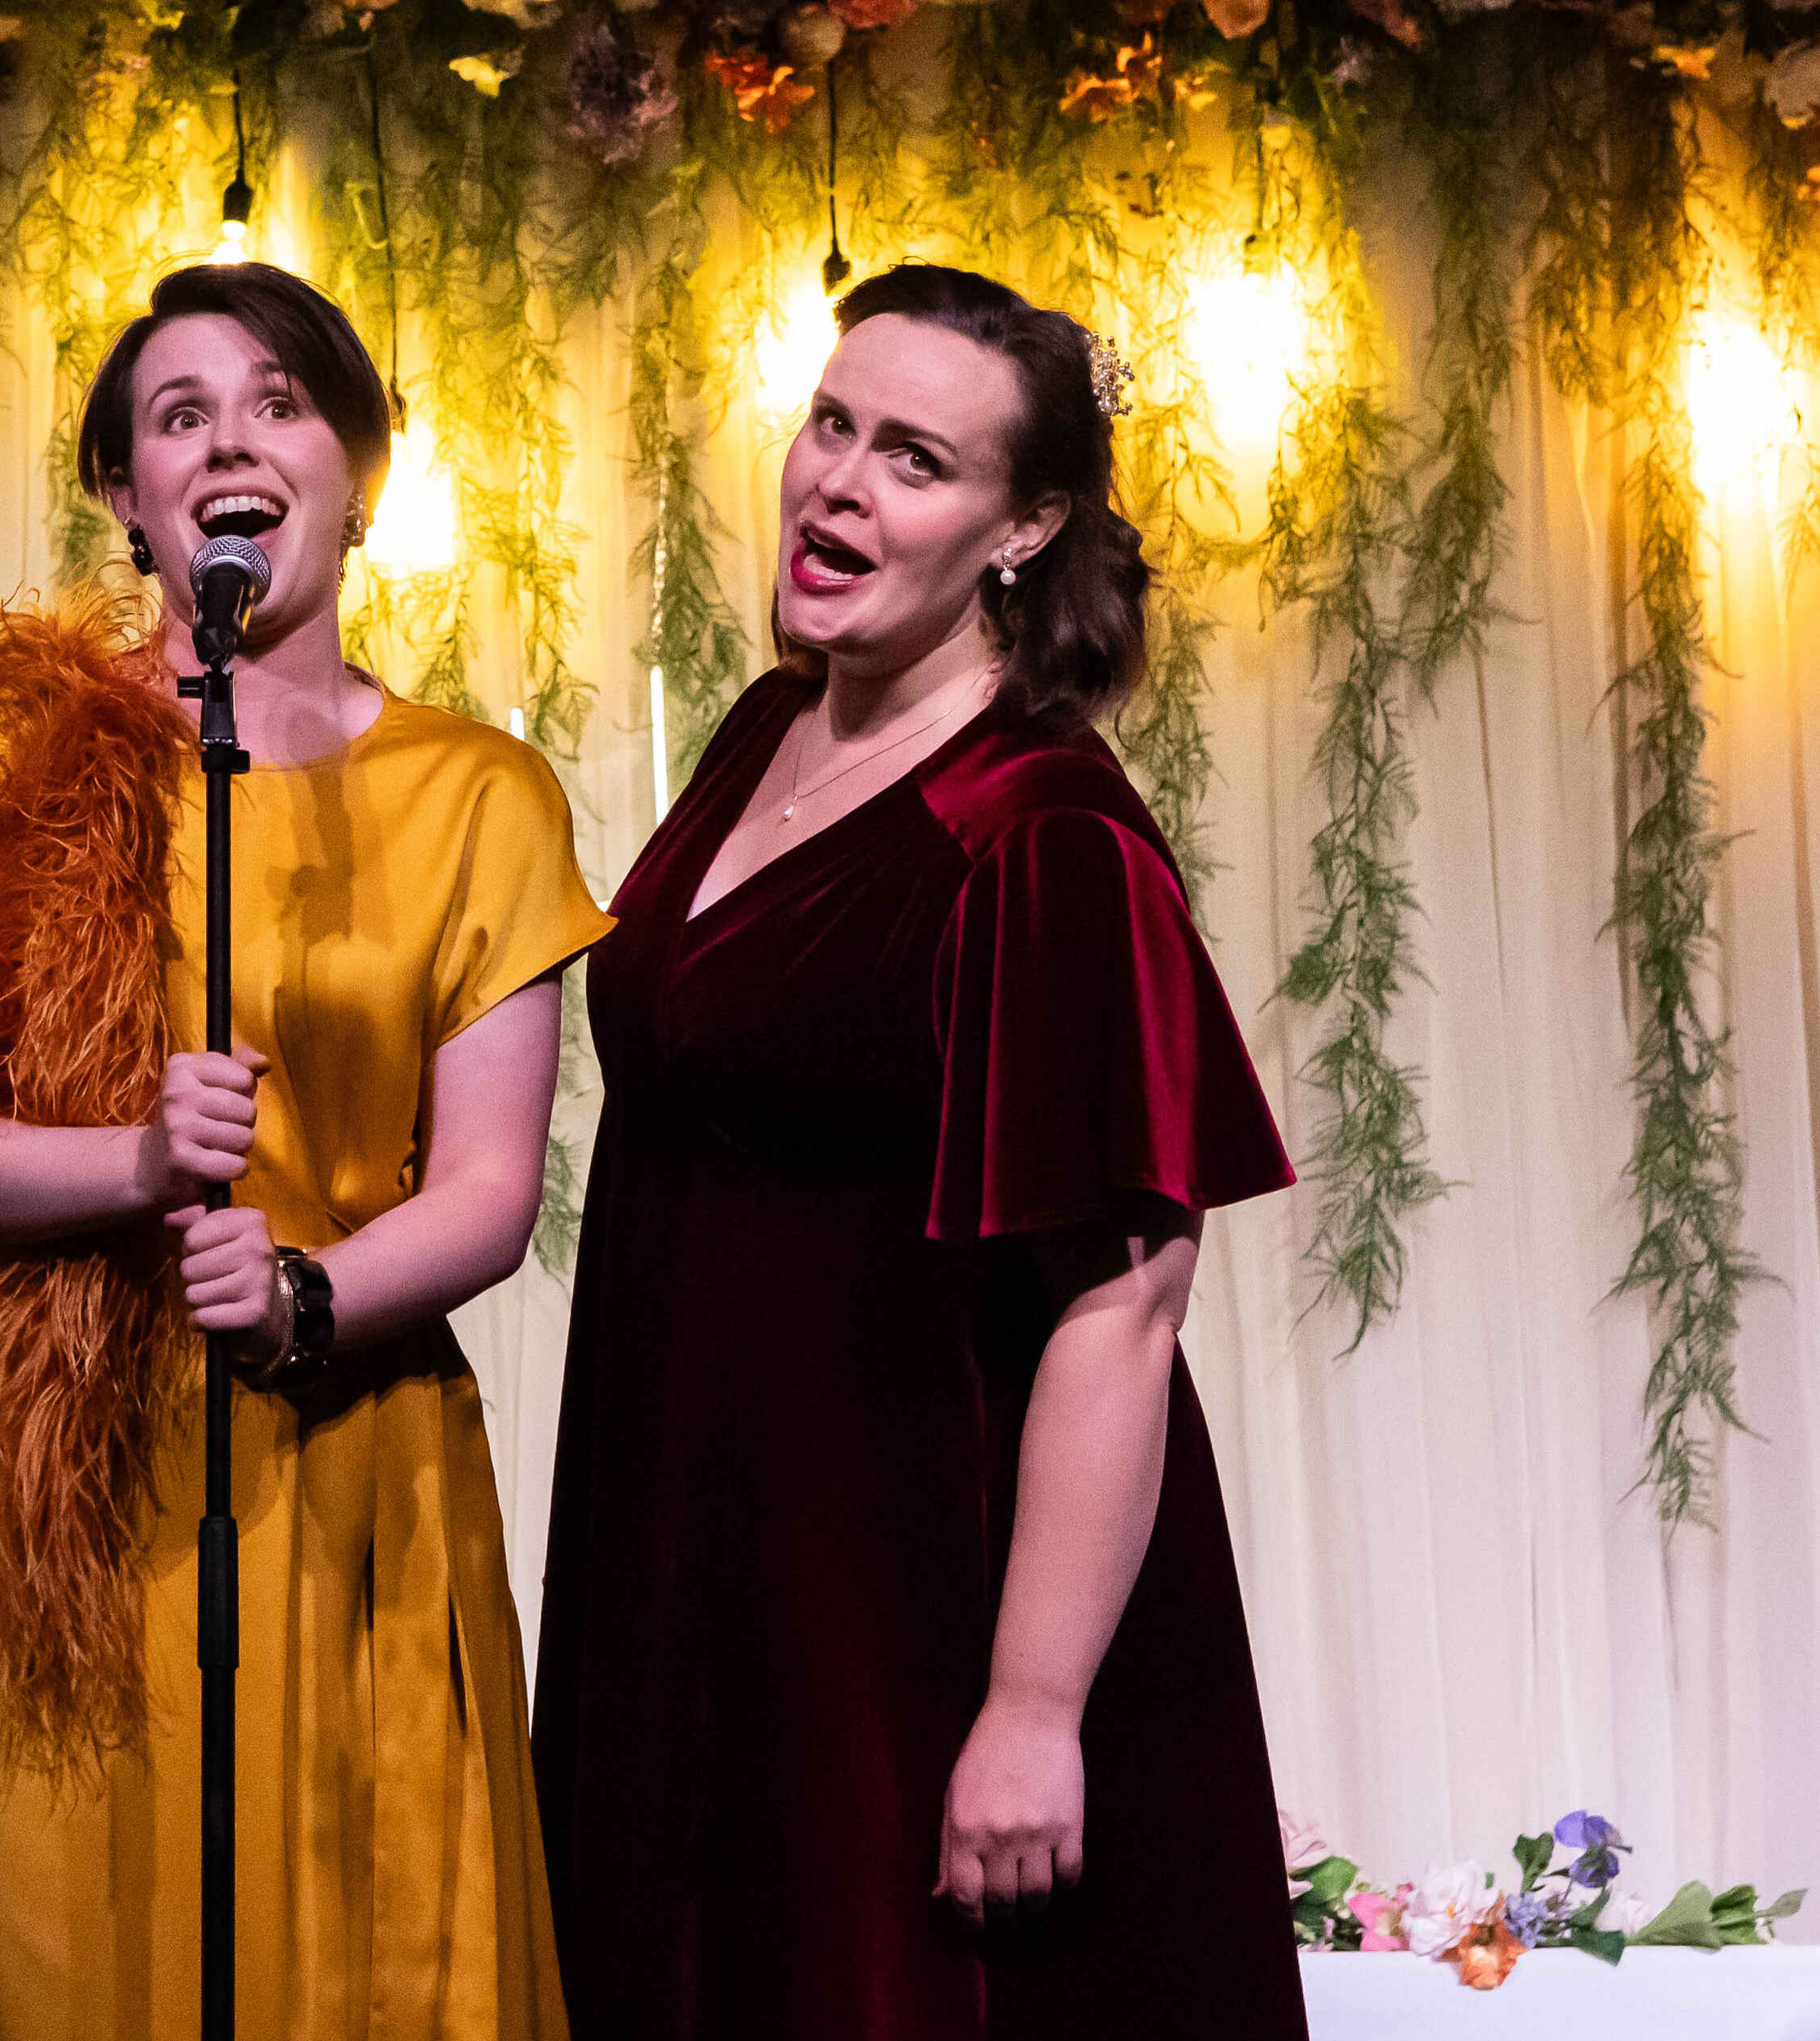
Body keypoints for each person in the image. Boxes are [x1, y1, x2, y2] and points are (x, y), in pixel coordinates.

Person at [0, 262, 610, 2040]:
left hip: (349, 1447)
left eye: (281, 400)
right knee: (75, 1938)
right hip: (67, 1466)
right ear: (125, 502)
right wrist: (135, 1166)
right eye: (180, 413)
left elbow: (488, 1189)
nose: (233, 437)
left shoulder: (480, 793)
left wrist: (305, 1292)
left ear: (358, 467)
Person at [529, 263, 1307, 2039]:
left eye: (913, 460)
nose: (837, 483)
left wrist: (1028, 1706)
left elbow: (1121, 1306)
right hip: (695, 1571)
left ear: (1021, 526)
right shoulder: (756, 733)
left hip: (913, 1612)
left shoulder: (1037, 840)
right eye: (828, 426)